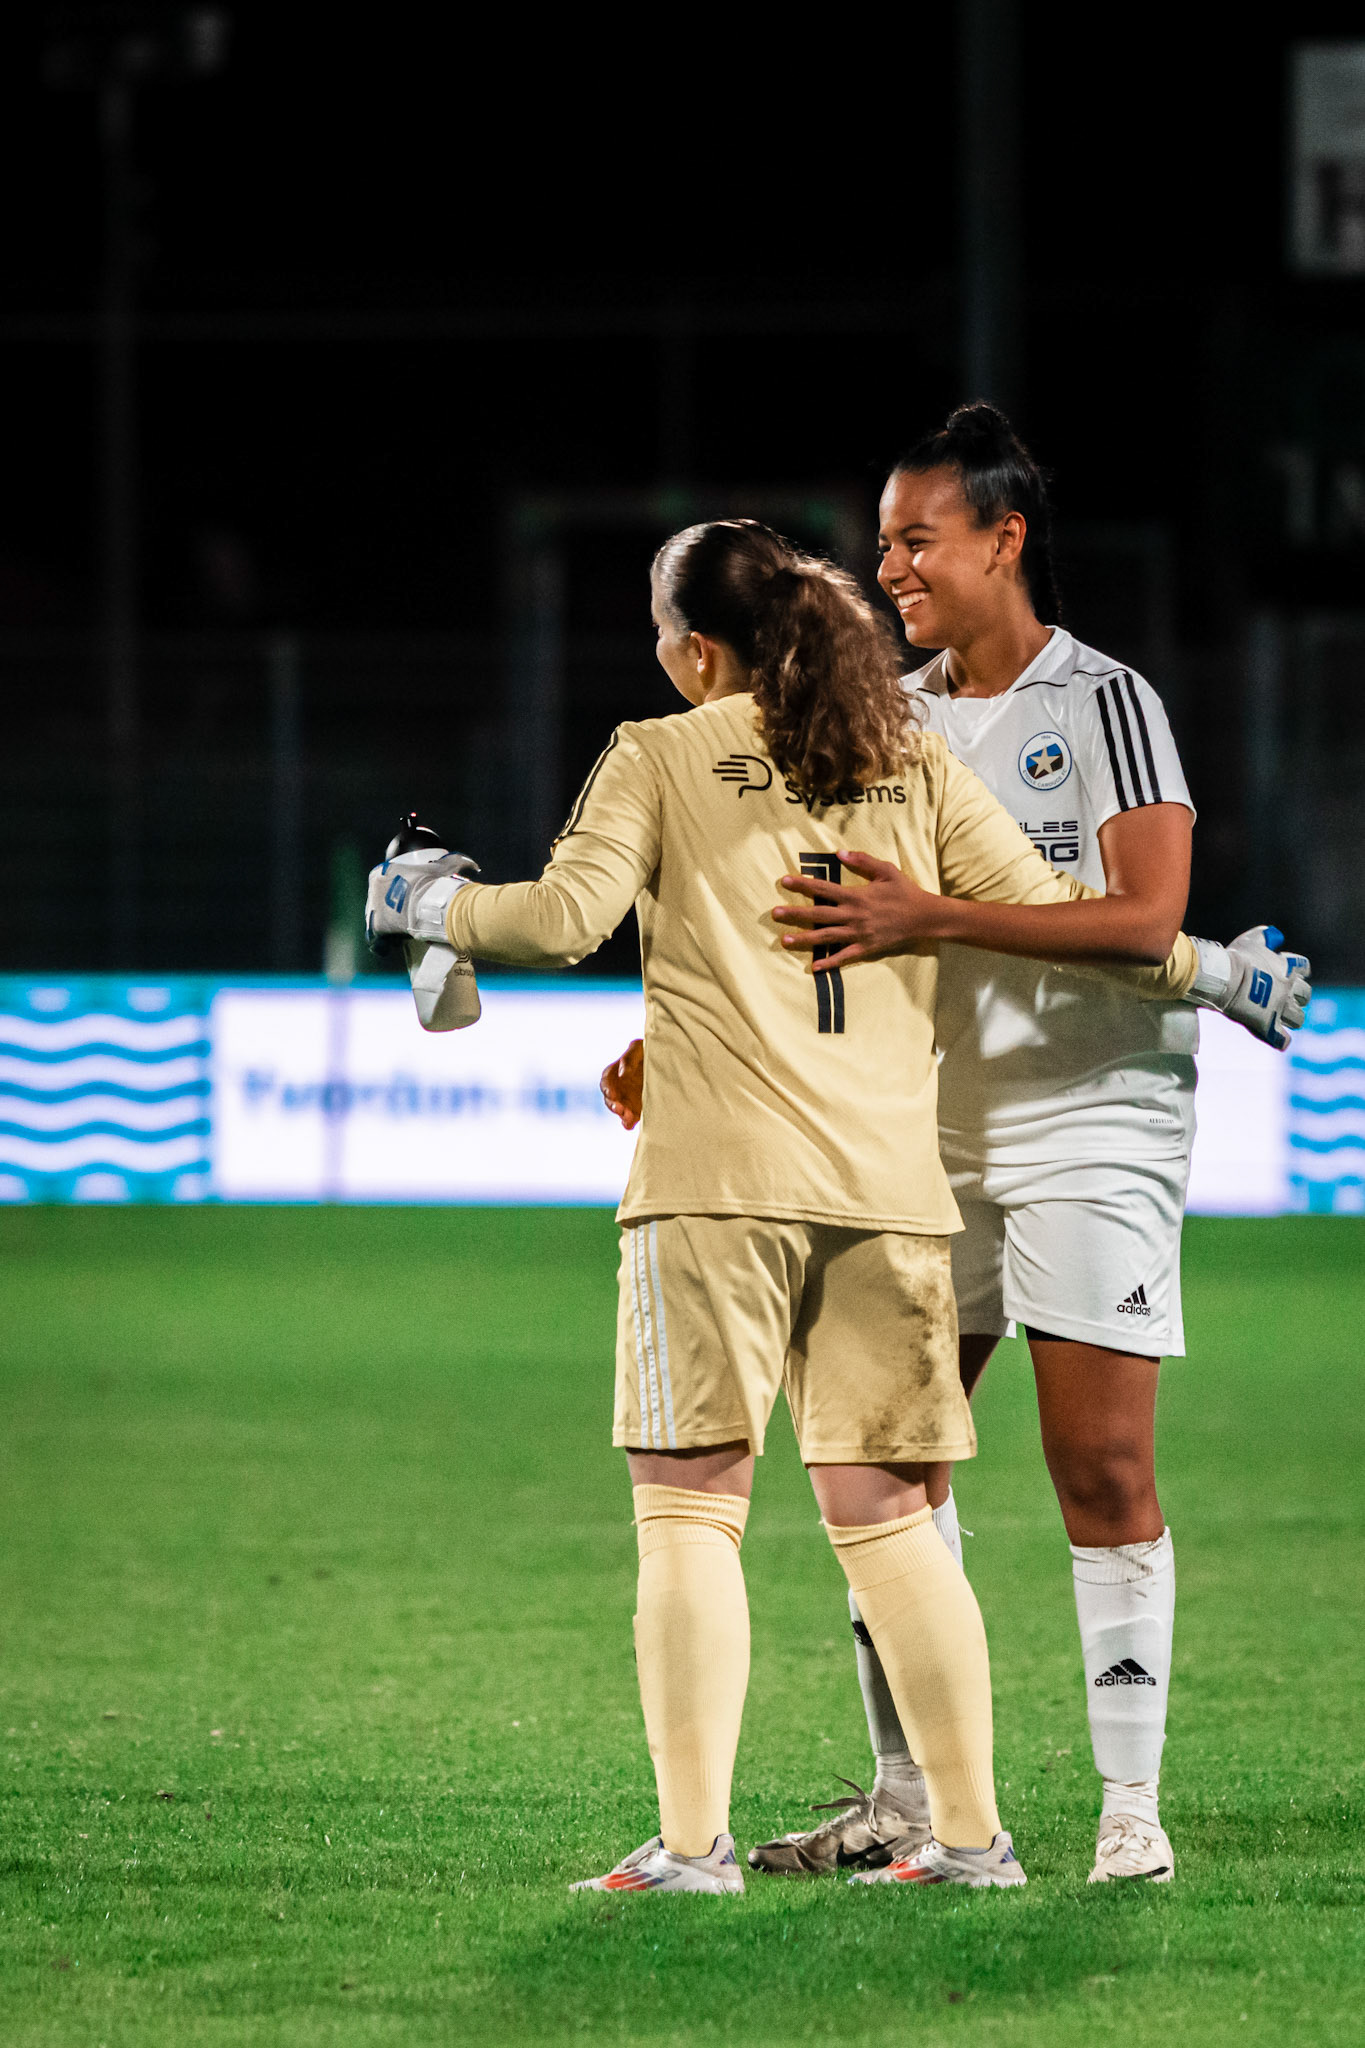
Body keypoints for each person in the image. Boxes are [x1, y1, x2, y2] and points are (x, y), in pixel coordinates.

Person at [369, 517, 1240, 1897]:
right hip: (890, 1199)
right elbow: (1055, 912)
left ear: (696, 648)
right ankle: (970, 1840)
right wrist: (1207, 969)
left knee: (689, 1509)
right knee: (890, 1522)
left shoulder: (657, 752)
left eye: (659, 628)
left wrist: (433, 902)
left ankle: (694, 1848)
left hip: (715, 1193)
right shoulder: (904, 761)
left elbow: (560, 922)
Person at [603, 413, 1310, 1887]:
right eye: (879, 541)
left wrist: (935, 918)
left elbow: (1135, 920)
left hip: (1090, 1122)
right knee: (885, 1472)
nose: (889, 564)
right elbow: (789, 914)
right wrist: (679, 1049)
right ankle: (907, 1800)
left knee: (1097, 1464)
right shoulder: (883, 715)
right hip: (908, 1134)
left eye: (917, 536)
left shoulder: (1104, 702)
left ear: (1004, 541)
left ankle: (1130, 1808)